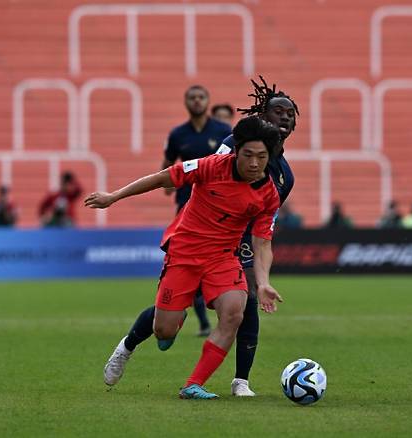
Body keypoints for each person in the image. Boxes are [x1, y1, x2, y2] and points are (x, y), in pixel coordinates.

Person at [101, 76, 299, 398]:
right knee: (165, 327)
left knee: (240, 306)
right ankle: (131, 344)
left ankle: (224, 382)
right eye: (279, 112)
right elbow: (167, 177)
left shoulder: (280, 180)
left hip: (230, 248)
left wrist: (263, 280)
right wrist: (114, 197)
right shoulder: (220, 158)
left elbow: (264, 236)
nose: (286, 118)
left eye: (291, 114)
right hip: (190, 239)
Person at [162, 85, 232, 336]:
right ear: (186, 102)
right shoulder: (178, 134)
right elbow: (168, 162)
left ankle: (222, 312)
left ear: (207, 101)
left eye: (201, 97)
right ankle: (200, 319)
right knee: (187, 260)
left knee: (214, 261)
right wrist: (167, 184)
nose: (197, 101)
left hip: (218, 204)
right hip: (186, 203)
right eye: (192, 97)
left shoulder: (224, 131)